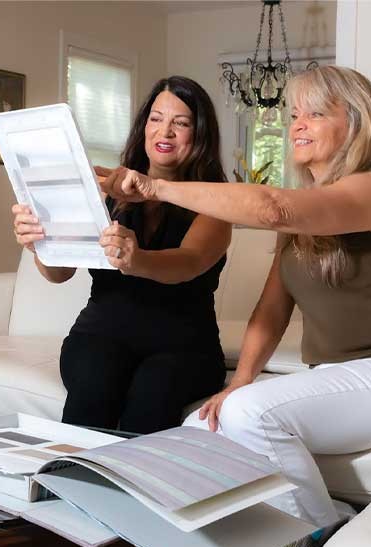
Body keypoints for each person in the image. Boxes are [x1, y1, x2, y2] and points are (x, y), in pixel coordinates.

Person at [99, 65, 371, 528]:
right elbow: (272, 309)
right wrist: (239, 381)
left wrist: (155, 186)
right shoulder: (306, 215)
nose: (297, 124)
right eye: (294, 114)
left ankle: (319, 537)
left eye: (315, 114)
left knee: (249, 415)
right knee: (200, 427)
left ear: (358, 123)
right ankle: (293, 525)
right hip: (339, 376)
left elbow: (272, 207)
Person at [12, 76, 231, 435]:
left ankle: (129, 490)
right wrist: (40, 244)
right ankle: (66, 485)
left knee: (152, 393)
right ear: (144, 127)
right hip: (100, 336)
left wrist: (136, 258)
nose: (165, 132)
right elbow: (59, 273)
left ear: (200, 134)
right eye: (156, 119)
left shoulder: (214, 201)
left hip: (183, 349)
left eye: (181, 123)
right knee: (95, 384)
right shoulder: (108, 191)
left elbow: (189, 263)